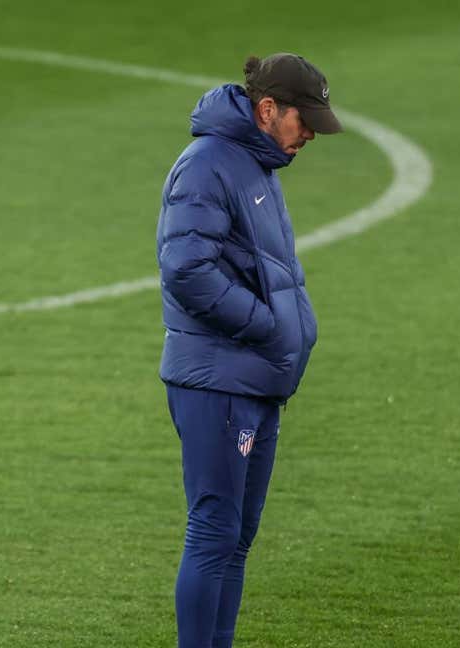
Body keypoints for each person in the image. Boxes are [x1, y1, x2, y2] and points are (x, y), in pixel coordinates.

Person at [155, 53, 342, 648]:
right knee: (214, 531)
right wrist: (268, 326)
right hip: (218, 380)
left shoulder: (258, 164)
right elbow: (186, 269)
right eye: (303, 119)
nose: (310, 132)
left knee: (236, 536)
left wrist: (295, 334)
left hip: (255, 380)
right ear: (267, 110)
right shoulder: (209, 165)